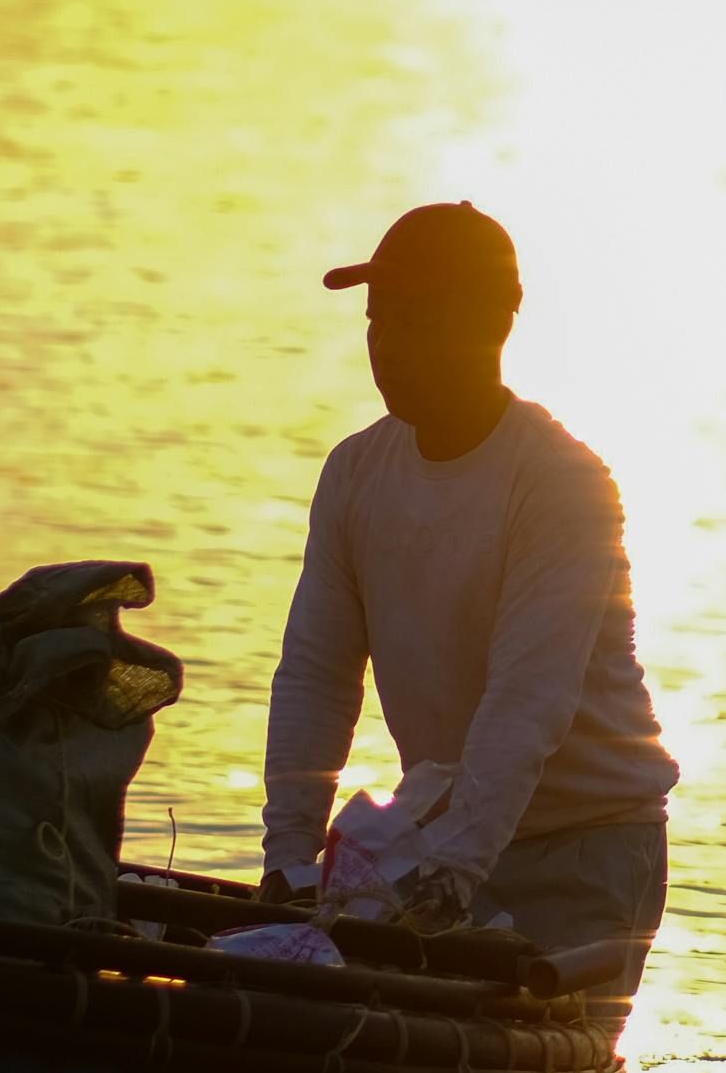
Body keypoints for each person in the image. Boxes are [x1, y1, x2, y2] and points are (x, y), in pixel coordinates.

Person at [261, 201, 676, 971]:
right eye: (378, 320)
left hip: (587, 848)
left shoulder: (558, 484)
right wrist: (288, 857)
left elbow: (526, 702)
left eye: (417, 320)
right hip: (443, 840)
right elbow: (316, 676)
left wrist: (452, 873)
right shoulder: (355, 473)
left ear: (493, 327)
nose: (387, 347)